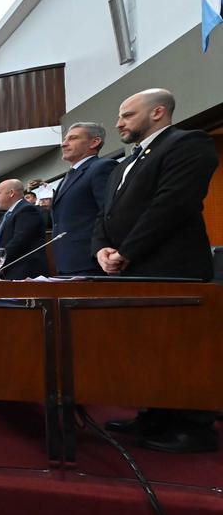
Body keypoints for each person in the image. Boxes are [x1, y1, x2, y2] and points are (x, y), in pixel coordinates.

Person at [94, 88, 219, 453]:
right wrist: (101, 249)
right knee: (145, 348)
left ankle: (193, 427)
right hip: (130, 270)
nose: (119, 123)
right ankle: (153, 415)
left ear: (158, 112)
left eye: (127, 115)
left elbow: (173, 203)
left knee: (178, 347)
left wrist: (128, 252)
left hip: (171, 266)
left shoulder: (187, 143)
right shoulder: (122, 164)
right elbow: (107, 215)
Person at [49, 122, 118, 275]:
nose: (63, 144)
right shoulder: (68, 175)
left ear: (94, 142)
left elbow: (109, 212)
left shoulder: (102, 167)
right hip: (66, 262)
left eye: (72, 138)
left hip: (91, 261)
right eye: (65, 139)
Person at [0, 179, 48, 280]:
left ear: (11, 193)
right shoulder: (8, 213)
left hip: (24, 273)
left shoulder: (27, 210)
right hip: (8, 271)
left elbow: (19, 241)